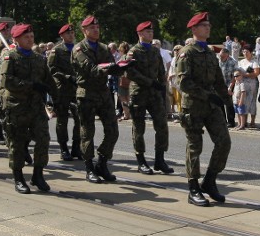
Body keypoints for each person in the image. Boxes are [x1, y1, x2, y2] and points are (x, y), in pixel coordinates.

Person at [175, 12, 232, 207]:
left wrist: (227, 99)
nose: (208, 27)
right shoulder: (187, 52)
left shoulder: (209, 52)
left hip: (212, 105)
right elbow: (183, 83)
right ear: (194, 29)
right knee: (194, 147)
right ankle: (193, 188)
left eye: (209, 24)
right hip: (193, 105)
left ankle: (209, 181)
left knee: (224, 141)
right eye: (204, 25)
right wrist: (209, 95)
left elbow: (218, 80)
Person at [0, 23, 53, 193]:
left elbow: (49, 80)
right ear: (16, 39)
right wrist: (31, 86)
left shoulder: (39, 58)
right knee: (18, 142)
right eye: (26, 37)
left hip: (36, 107)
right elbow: (7, 81)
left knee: (43, 139)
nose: (30, 40)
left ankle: (38, 174)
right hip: (17, 106)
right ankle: (18, 177)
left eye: (31, 37)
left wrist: (57, 98)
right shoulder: (10, 57)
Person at [73, 16, 121, 183]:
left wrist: (121, 68)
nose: (96, 30)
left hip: (104, 93)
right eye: (92, 28)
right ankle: (89, 167)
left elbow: (112, 66)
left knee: (113, 131)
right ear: (84, 30)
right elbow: (90, 69)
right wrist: (109, 67)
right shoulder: (79, 49)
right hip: (87, 94)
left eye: (98, 27)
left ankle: (102, 162)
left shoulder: (103, 48)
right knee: (87, 132)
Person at [125, 21, 173, 175]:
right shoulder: (133, 52)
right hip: (139, 93)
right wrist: (150, 82)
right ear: (140, 34)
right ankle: (141, 161)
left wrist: (162, 86)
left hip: (154, 94)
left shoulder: (154, 50)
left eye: (151, 31)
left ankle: (160, 159)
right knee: (139, 128)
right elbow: (130, 73)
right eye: (147, 32)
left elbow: (160, 70)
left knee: (162, 125)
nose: (151, 34)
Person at [48, 24, 81, 161]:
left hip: (77, 89)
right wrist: (66, 77)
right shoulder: (57, 51)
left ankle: (76, 147)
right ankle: (63, 148)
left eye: (73, 33)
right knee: (62, 120)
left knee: (80, 119)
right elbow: (51, 69)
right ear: (62, 36)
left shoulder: (79, 49)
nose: (71, 35)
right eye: (68, 34)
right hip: (62, 89)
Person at [237, 46, 260, 127]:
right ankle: (244, 121)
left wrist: (245, 74)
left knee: (252, 101)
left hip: (252, 84)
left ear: (250, 52)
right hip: (243, 84)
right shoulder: (241, 62)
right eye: (243, 52)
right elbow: (238, 72)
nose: (245, 53)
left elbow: (256, 73)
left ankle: (252, 121)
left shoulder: (254, 62)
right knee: (244, 101)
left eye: (247, 52)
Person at [217, 48, 238, 128]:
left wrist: (230, 87)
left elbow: (234, 76)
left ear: (227, 55)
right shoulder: (218, 60)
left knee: (229, 104)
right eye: (220, 56)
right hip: (219, 85)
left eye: (222, 56)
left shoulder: (233, 62)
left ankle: (231, 122)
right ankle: (223, 120)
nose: (221, 58)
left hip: (229, 85)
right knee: (219, 103)